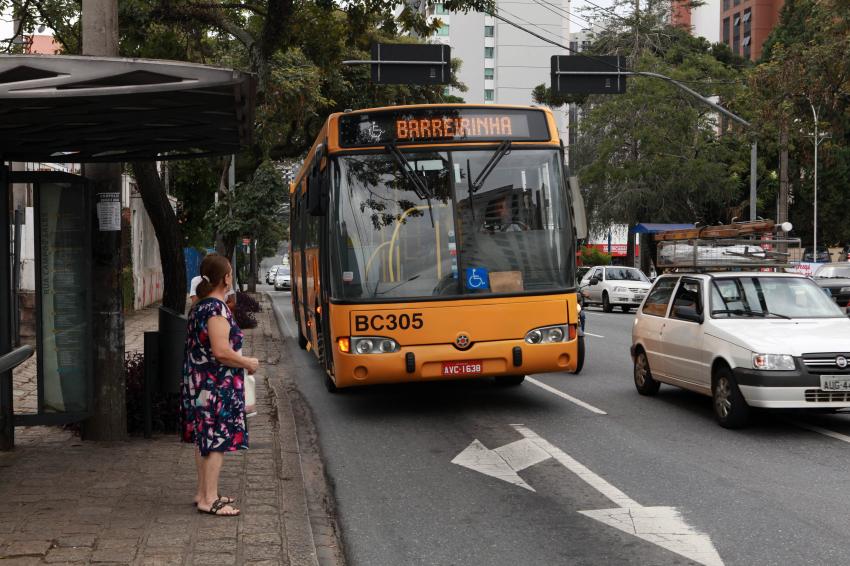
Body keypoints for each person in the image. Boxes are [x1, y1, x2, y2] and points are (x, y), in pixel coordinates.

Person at [181, 253, 259, 516]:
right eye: (230, 273)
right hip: (215, 386)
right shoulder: (215, 309)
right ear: (226, 278)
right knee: (216, 440)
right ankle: (209, 499)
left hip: (201, 384)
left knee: (204, 438)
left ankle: (203, 492)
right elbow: (222, 352)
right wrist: (247, 362)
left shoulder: (201, 307)